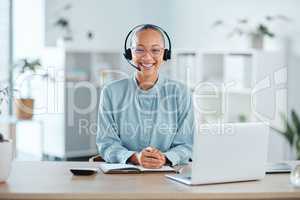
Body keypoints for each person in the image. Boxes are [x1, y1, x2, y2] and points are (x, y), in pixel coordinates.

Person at [96, 24, 195, 169]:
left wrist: (165, 158)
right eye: (140, 49)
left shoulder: (181, 93)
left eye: (155, 50)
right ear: (130, 53)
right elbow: (107, 143)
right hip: (124, 178)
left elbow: (186, 145)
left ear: (165, 54)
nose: (147, 57)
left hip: (169, 177)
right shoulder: (111, 92)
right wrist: (135, 158)